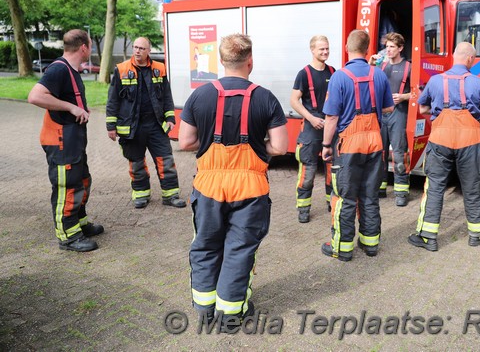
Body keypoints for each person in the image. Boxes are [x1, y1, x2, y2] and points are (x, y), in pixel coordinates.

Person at [179, 33, 288, 331]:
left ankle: (204, 308)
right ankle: (230, 314)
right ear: (250, 62)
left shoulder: (200, 95)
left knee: (205, 245)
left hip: (208, 186)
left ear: (222, 62)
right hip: (251, 188)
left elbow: (186, 140)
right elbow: (279, 146)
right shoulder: (266, 98)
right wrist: (253, 149)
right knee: (239, 249)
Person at [408, 42, 480, 252]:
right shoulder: (479, 83)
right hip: (469, 141)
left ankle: (428, 236)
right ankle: (479, 234)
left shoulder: (436, 80)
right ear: (470, 60)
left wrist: (439, 110)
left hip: (440, 139)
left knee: (435, 186)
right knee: (473, 186)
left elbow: (422, 108)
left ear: (455, 56)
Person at [28, 29, 104, 252]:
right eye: (90, 46)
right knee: (67, 186)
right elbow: (35, 96)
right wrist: (71, 107)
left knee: (82, 181)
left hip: (73, 141)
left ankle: (79, 224)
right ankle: (68, 237)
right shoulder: (59, 69)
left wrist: (79, 106)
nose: (89, 50)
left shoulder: (71, 70)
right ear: (84, 47)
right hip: (61, 141)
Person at [321, 30, 394, 261]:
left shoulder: (339, 77)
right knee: (370, 194)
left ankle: (342, 248)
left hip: (349, 144)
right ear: (368, 48)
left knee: (345, 196)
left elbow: (331, 117)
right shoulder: (379, 74)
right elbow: (389, 108)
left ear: (346, 47)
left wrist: (325, 144)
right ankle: (370, 243)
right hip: (375, 141)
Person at [106, 37, 183, 209]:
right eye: (135, 47)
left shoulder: (159, 69)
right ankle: (141, 195)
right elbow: (112, 100)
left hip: (156, 125)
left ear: (149, 51)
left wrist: (170, 118)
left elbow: (167, 96)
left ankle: (171, 195)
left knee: (166, 160)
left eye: (141, 48)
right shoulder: (121, 69)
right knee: (136, 162)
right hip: (132, 127)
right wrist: (111, 126)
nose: (137, 51)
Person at [290, 35, 335, 223]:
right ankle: (303, 207)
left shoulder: (333, 71)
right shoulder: (304, 73)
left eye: (327, 49)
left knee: (332, 169)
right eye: (321, 49)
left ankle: (330, 202)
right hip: (311, 128)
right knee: (308, 171)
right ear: (312, 50)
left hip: (330, 127)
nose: (325, 52)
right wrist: (311, 118)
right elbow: (294, 100)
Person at [370, 32, 411, 206]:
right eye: (387, 46)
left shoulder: (409, 66)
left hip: (399, 113)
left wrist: (404, 97)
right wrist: (370, 65)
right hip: (381, 113)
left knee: (399, 153)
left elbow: (420, 92)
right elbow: (367, 81)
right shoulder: (381, 65)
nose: (388, 50)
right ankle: (380, 187)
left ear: (400, 48)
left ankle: (401, 191)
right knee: (380, 151)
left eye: (392, 47)